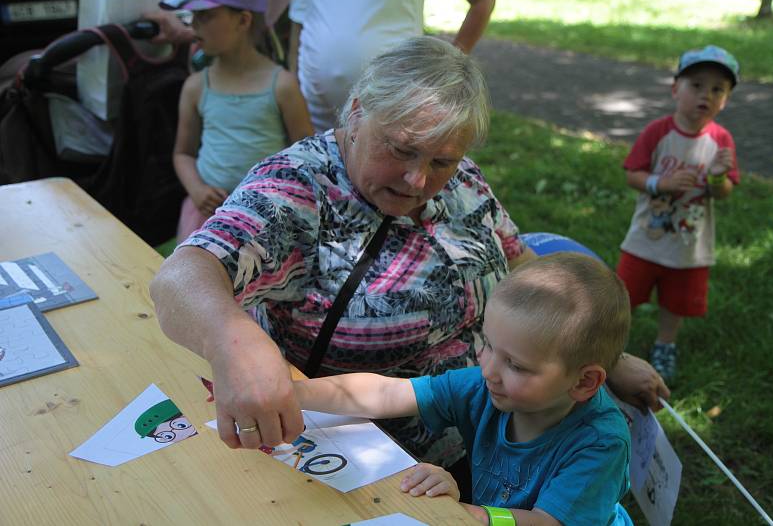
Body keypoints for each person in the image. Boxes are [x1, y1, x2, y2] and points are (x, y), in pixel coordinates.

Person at [149, 36, 667, 497]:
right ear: (354, 113)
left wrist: (607, 357)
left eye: (441, 160)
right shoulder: (299, 191)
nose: (418, 180)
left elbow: (522, 263)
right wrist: (236, 345)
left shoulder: (464, 183)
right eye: (401, 150)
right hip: (370, 468)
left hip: (493, 437)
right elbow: (180, 276)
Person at [293, 252, 632, 525]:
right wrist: (292, 394)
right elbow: (386, 393)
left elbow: (548, 522)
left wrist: (474, 515)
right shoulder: (486, 387)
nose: (488, 369)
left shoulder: (600, 442)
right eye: (486, 343)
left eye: (515, 364)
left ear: (584, 382)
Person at [616, 45, 741, 382]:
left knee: (676, 302)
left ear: (725, 100)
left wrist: (716, 176)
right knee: (624, 294)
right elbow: (632, 174)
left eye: (718, 89)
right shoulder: (658, 132)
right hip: (645, 239)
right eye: (696, 85)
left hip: (690, 245)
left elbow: (725, 191)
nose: (706, 95)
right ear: (676, 90)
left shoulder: (721, 140)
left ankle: (665, 345)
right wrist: (662, 182)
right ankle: (612, 344)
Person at [159, 0, 313, 241]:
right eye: (193, 16)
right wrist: (197, 190)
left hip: (264, 218)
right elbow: (183, 153)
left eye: (206, 15)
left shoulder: (282, 86)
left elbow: (306, 158)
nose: (195, 24)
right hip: (208, 216)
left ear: (243, 20)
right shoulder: (196, 86)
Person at [286, 0, 496, 132]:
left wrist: (451, 64)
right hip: (314, 109)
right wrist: (293, 86)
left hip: (397, 104)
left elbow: (482, 1)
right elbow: (301, 18)